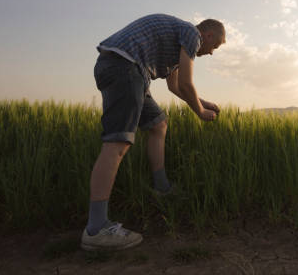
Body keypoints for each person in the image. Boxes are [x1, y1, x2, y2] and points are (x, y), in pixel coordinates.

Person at [80, 13, 225, 251]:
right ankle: (97, 229)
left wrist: (202, 102)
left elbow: (175, 86)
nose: (211, 52)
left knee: (159, 124)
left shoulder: (177, 41)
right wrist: (199, 112)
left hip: (125, 68)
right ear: (207, 35)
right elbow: (187, 83)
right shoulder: (191, 34)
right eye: (214, 46)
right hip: (126, 68)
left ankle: (161, 187)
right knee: (117, 144)